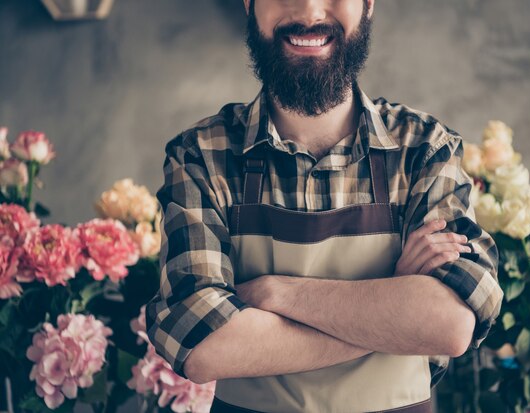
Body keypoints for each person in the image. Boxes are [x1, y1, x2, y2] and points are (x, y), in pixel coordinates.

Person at [145, 0, 504, 412]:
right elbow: (203, 346)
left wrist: (277, 293)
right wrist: (392, 309)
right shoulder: (202, 155)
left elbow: (450, 323)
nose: (310, 11)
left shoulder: (424, 149)